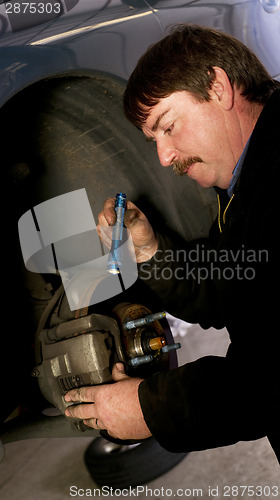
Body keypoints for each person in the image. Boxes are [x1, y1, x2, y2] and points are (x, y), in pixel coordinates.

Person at [64, 25, 280, 463]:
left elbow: (270, 379)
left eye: (168, 126)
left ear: (219, 88)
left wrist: (150, 407)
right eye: (154, 141)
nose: (163, 158)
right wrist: (148, 251)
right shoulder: (248, 177)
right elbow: (233, 289)